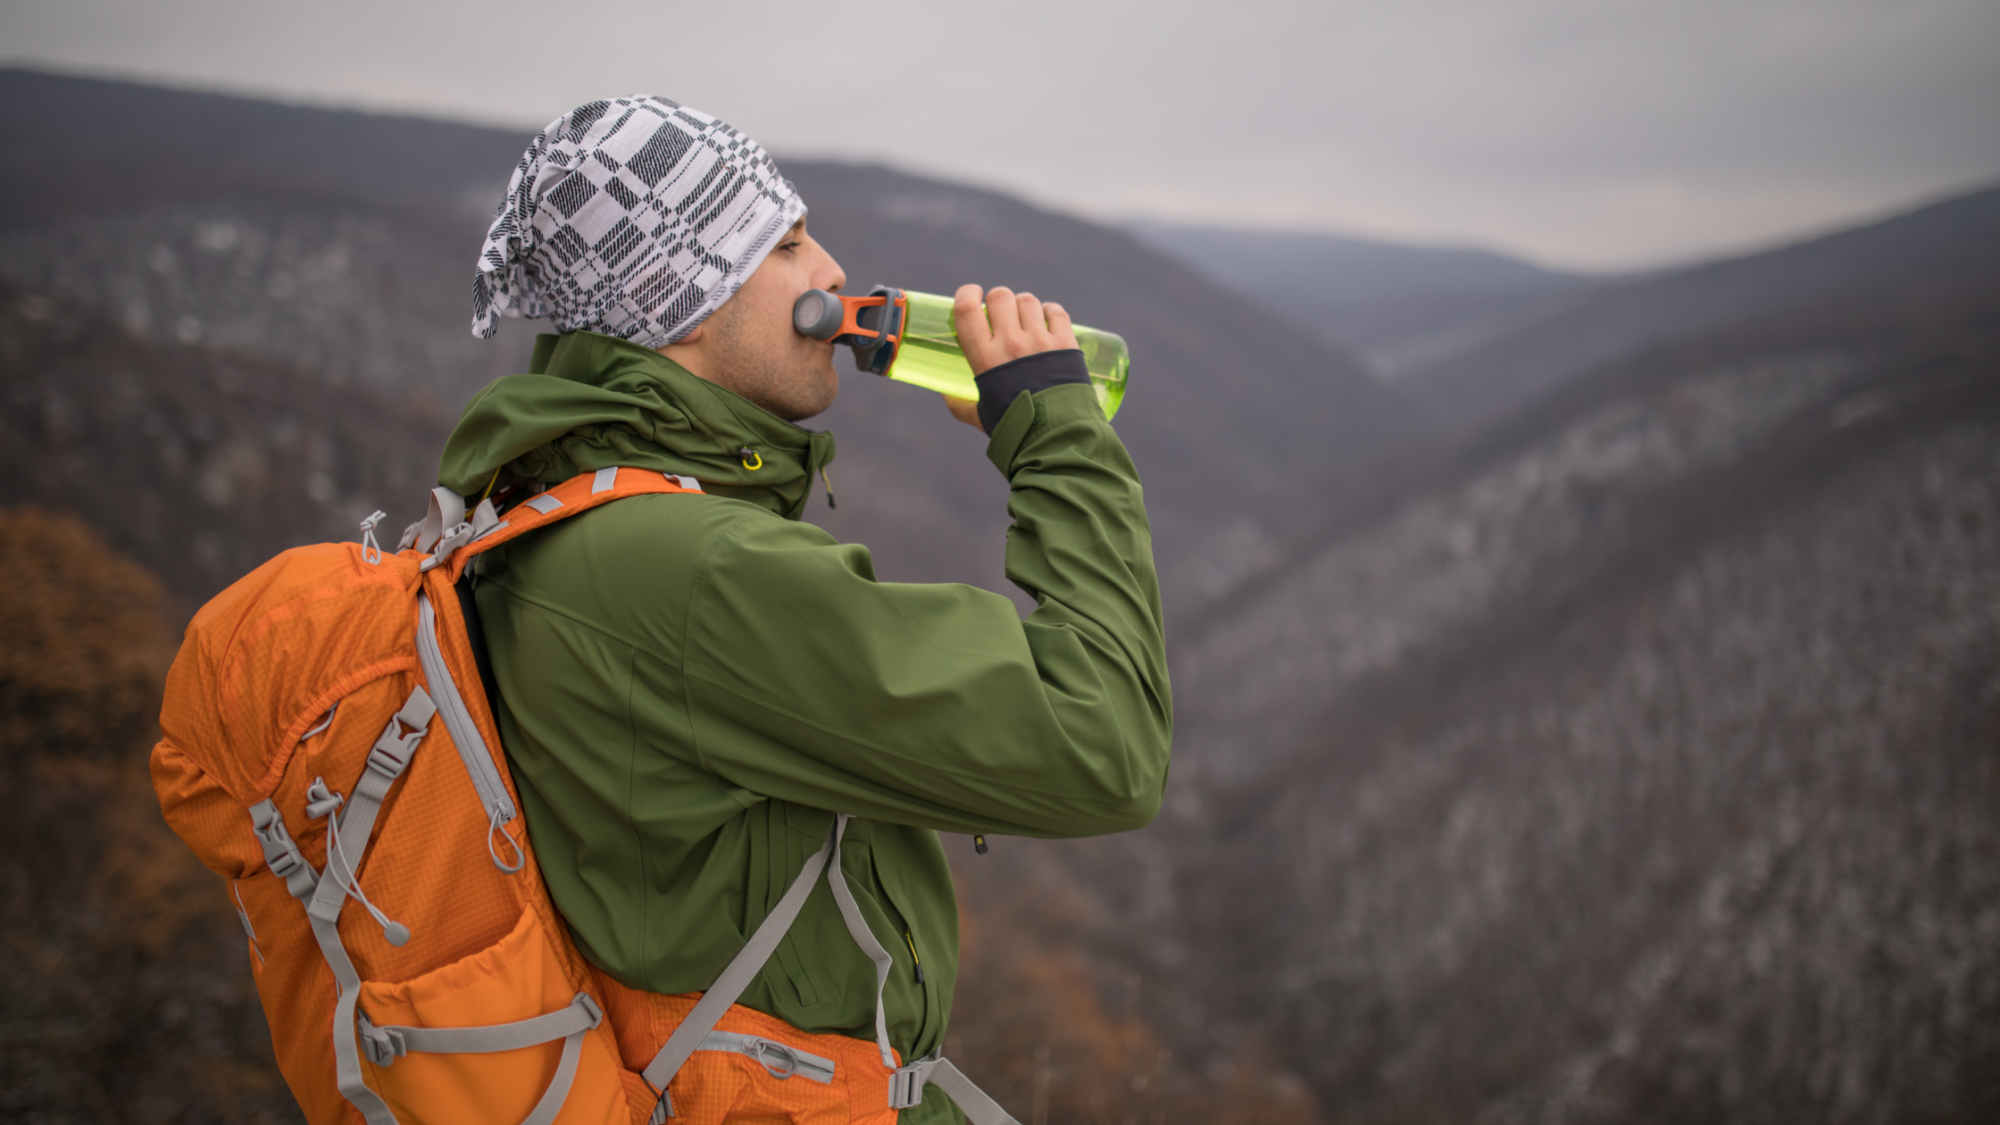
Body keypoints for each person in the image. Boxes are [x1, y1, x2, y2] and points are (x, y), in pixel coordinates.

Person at [445, 95, 1171, 1123]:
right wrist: (1056, 437)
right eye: (784, 246)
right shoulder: (691, 570)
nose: (832, 269)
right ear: (681, 301)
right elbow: (1104, 746)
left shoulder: (552, 505)